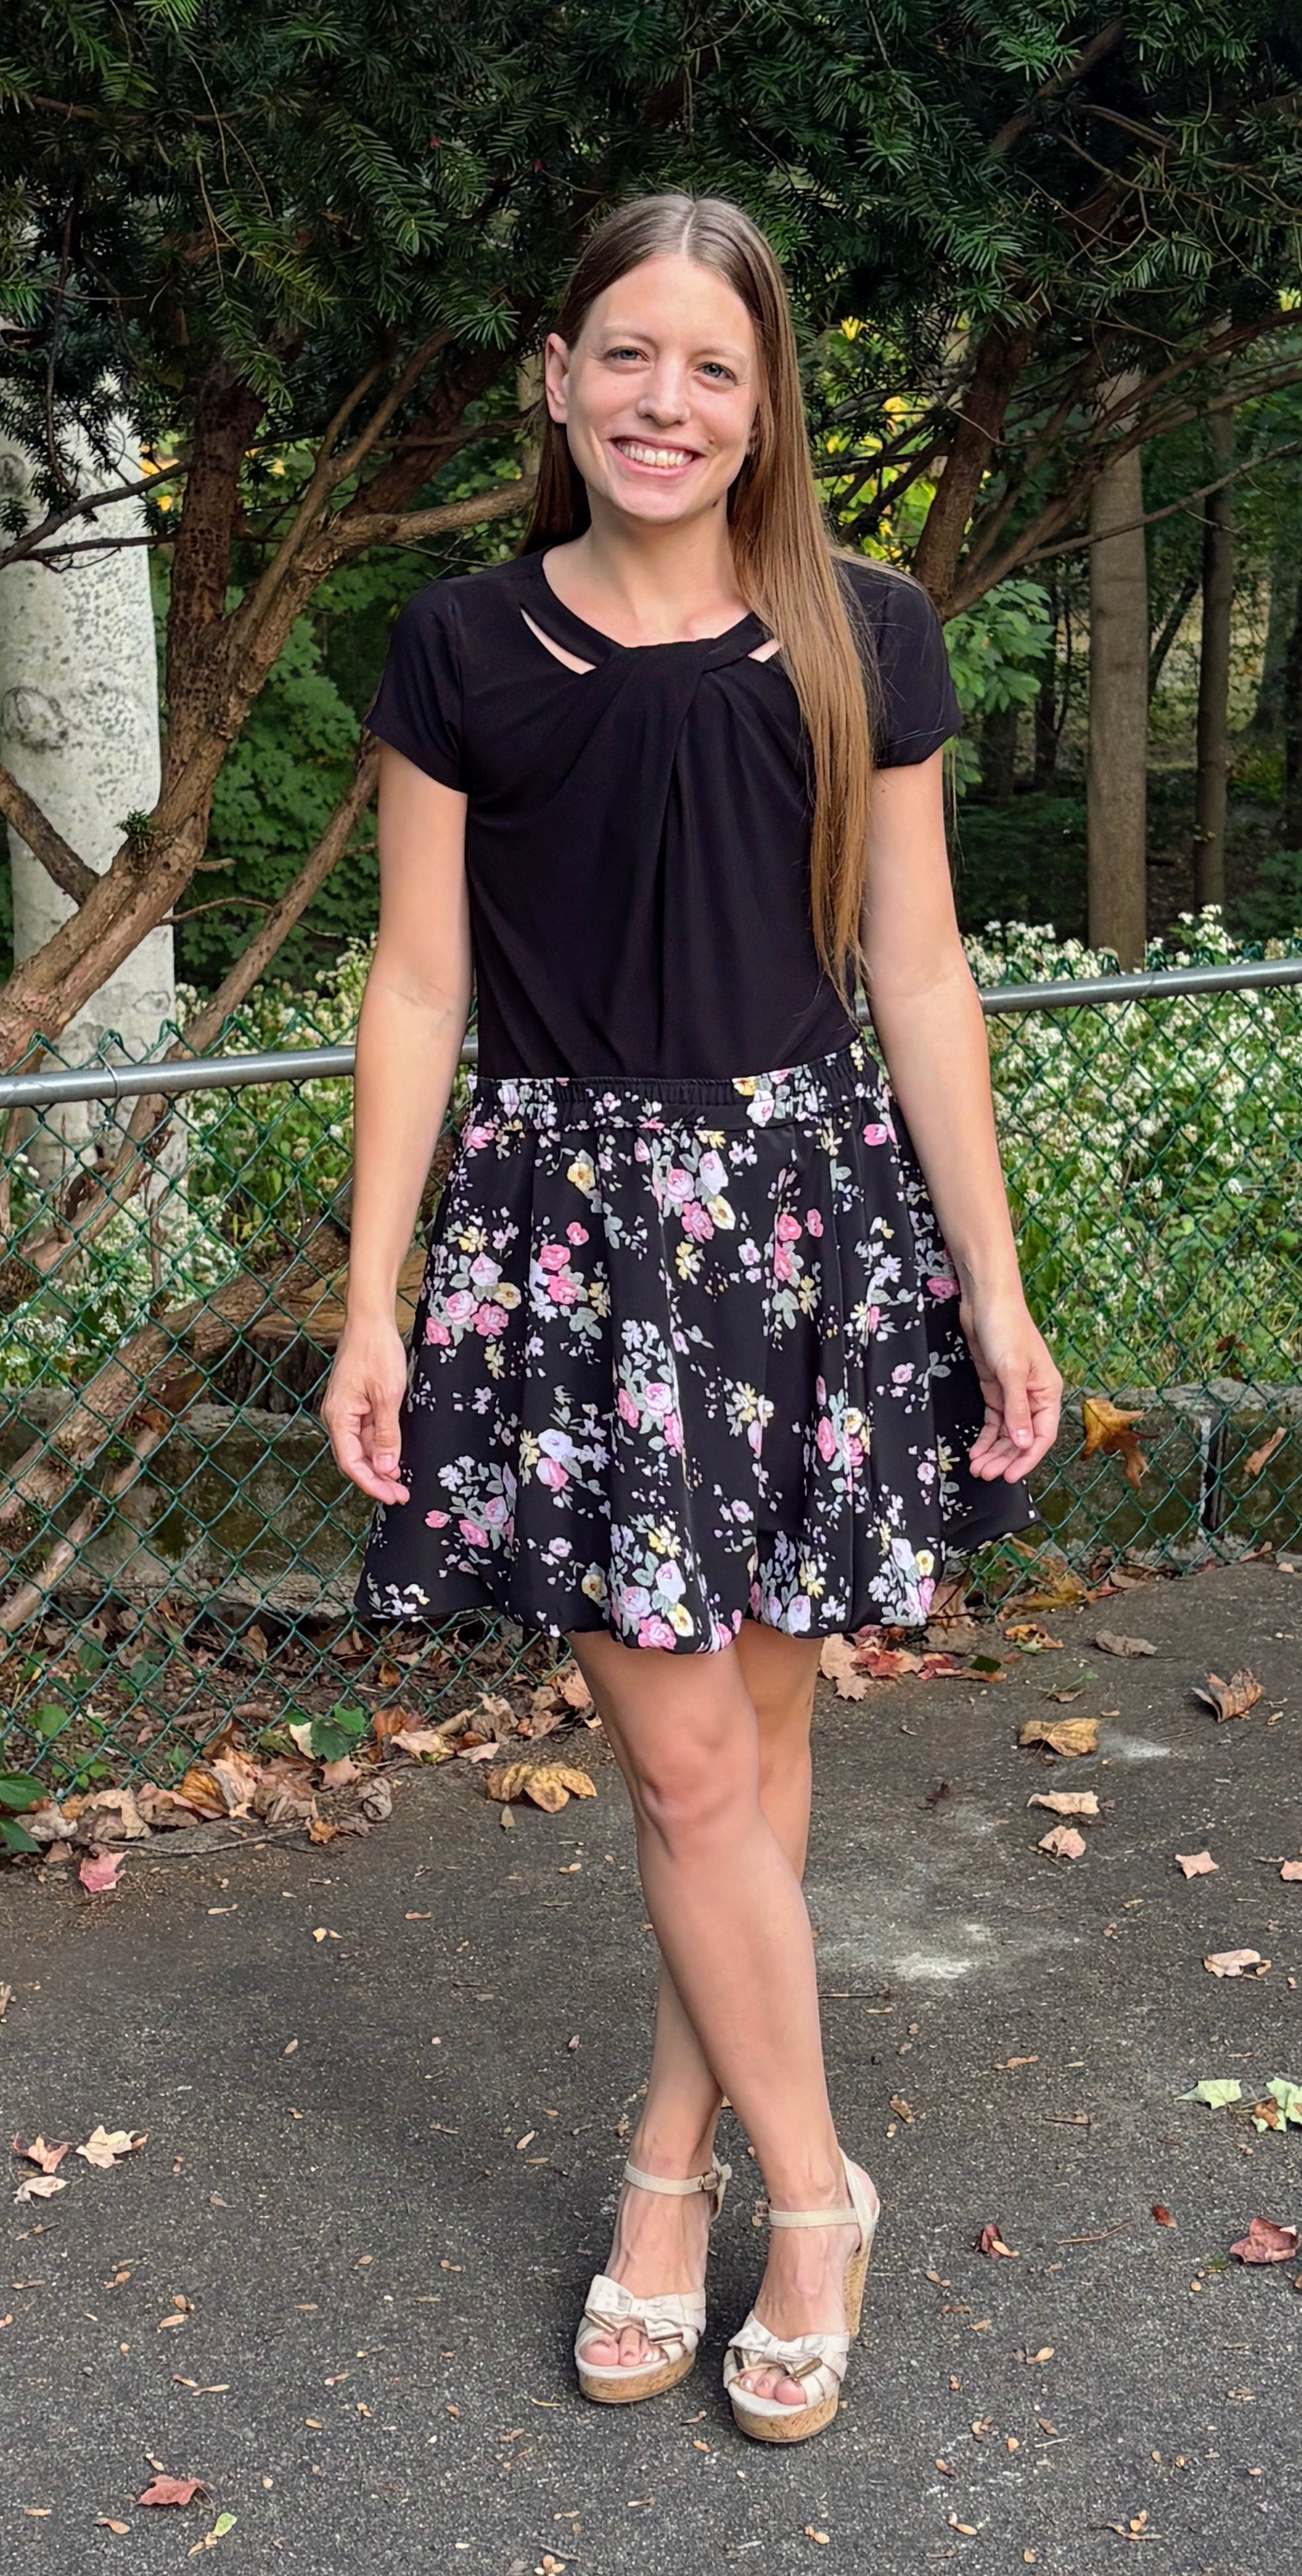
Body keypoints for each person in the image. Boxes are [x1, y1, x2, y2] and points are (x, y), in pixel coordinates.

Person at [323, 192, 1061, 2445]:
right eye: (626, 355)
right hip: (568, 1247)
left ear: (766, 405)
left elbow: (920, 972)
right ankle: (820, 2198)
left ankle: (674, 2167)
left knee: (747, 1754)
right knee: (686, 1763)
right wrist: (373, 1298)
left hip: (808, 1230)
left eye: (713, 367)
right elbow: (419, 984)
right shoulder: (458, 647)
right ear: (557, 379)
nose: (667, 401)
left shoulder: (863, 633)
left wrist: (994, 1284)